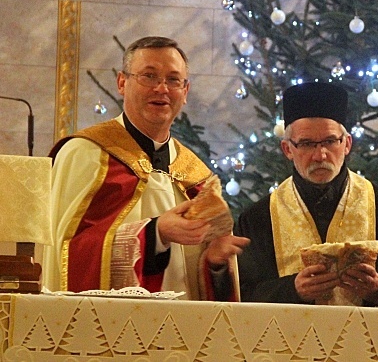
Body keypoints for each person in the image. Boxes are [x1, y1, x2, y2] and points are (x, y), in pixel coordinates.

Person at [42, 36, 249, 300]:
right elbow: (65, 252)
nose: (161, 89)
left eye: (173, 80)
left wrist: (215, 263)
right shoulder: (85, 154)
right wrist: (156, 234)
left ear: (185, 92)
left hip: (183, 333)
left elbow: (203, 285)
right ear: (122, 82)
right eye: (149, 76)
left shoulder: (196, 175)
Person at [234, 81, 378, 306]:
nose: (320, 156)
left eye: (330, 141)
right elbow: (242, 295)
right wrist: (292, 290)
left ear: (347, 144)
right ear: (288, 149)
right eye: (307, 144)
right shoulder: (257, 218)